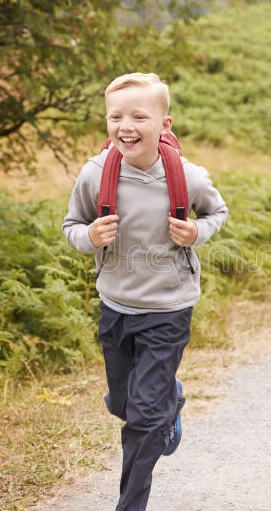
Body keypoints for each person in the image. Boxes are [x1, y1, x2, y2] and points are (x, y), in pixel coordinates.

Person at [62, 72, 227, 511]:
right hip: (116, 303)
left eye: (139, 115)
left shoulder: (187, 176)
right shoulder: (95, 174)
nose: (125, 126)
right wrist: (90, 236)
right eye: (115, 116)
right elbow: (71, 226)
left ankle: (130, 503)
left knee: (142, 418)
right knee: (123, 402)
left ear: (164, 125)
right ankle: (169, 400)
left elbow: (217, 212)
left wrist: (196, 231)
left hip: (169, 307)